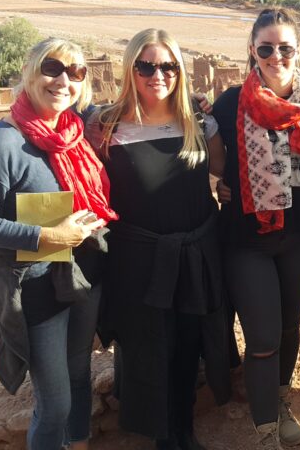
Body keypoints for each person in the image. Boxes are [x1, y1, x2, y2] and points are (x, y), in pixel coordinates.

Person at [0, 38, 116, 450]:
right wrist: (49, 236)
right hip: (36, 286)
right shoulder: (3, 142)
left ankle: (78, 445)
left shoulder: (76, 131)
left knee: (79, 374)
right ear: (29, 72)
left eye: (76, 72)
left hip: (84, 275)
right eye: (52, 68)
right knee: (55, 402)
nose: (64, 80)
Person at [86, 29, 230, 449]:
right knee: (149, 347)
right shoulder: (105, 126)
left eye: (168, 66)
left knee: (188, 344)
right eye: (145, 66)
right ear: (130, 69)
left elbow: (225, 171)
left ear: (180, 71)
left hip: (194, 254)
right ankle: (162, 437)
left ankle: (184, 430)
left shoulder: (199, 121)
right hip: (138, 260)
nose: (157, 75)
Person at [211, 8, 300, 448]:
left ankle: (280, 402)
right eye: (266, 48)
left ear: (298, 49)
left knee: (289, 328)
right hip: (247, 239)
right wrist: (217, 184)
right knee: (263, 336)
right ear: (252, 50)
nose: (276, 56)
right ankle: (265, 428)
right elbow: (197, 151)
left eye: (285, 47)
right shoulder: (229, 103)